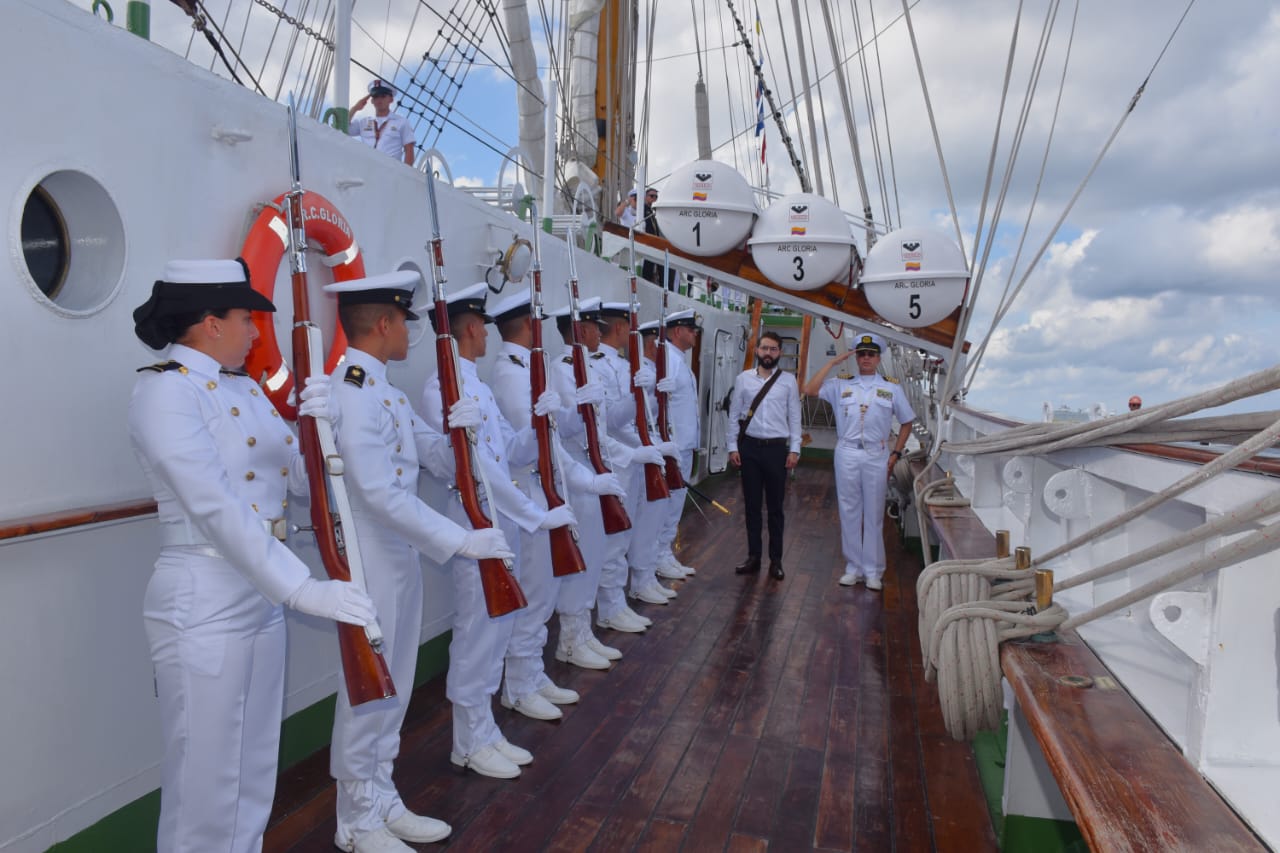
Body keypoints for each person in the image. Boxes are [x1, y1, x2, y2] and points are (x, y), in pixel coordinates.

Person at [129, 259, 377, 852]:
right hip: (205, 594)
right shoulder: (164, 392)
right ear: (211, 324)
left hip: (261, 591)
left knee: (254, 763)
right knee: (205, 779)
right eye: (247, 319)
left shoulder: (246, 389)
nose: (255, 331)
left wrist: (325, 426)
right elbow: (212, 504)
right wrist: (300, 587)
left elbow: (301, 480)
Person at [322, 271, 518, 852]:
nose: (410, 332)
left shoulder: (387, 393)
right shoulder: (351, 391)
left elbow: (431, 458)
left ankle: (380, 795)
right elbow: (378, 493)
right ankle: (356, 818)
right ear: (383, 324)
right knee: (368, 687)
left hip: (399, 553)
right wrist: (460, 541)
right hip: (369, 557)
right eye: (405, 322)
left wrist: (457, 435)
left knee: (395, 685)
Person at [418, 282, 574, 780]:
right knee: (477, 633)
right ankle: (467, 741)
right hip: (476, 522)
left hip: (501, 520)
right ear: (468, 328)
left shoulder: (479, 386)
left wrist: (539, 424)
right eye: (482, 327)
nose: (487, 335)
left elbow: (509, 452)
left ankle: (484, 729)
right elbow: (476, 470)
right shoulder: (440, 388)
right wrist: (535, 515)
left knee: (500, 624)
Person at [486, 290, 625, 718]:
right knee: (534, 593)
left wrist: (576, 411)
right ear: (528, 325)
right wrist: (583, 478)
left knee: (543, 592)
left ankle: (531, 673)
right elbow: (531, 445)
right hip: (529, 492)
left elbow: (553, 432)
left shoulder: (530, 367)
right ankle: (518, 685)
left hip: (547, 487)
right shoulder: (511, 373)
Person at [548, 298, 635, 667]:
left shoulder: (589, 367)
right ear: (581, 330)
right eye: (595, 328)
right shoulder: (562, 369)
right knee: (580, 559)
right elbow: (570, 429)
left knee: (595, 554)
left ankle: (583, 632)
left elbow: (601, 426)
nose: (601, 333)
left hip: (597, 469)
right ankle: (570, 639)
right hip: (577, 476)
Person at [803, 332, 914, 591]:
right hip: (847, 453)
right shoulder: (840, 384)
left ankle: (873, 571)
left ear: (878, 358)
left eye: (871, 354)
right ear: (855, 357)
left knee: (874, 513)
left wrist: (896, 453)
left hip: (876, 454)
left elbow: (907, 422)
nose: (866, 358)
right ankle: (853, 567)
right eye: (862, 354)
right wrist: (832, 363)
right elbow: (809, 389)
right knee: (849, 510)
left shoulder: (891, 388)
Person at [590, 302, 669, 631]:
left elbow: (642, 416)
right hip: (615, 461)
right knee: (615, 539)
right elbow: (611, 421)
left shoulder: (624, 365)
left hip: (634, 456)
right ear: (621, 328)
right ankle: (610, 606)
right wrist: (640, 394)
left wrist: (652, 394)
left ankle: (626, 594)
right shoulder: (597, 365)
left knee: (633, 531)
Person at [727, 331, 802, 580]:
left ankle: (776, 560)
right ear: (757, 350)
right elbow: (734, 415)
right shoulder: (743, 380)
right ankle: (754, 556)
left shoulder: (788, 381)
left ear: (779, 352)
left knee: (775, 508)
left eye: (773, 349)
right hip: (749, 448)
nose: (768, 353)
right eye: (764, 348)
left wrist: (794, 449)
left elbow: (795, 417)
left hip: (776, 449)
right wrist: (732, 447)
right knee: (751, 506)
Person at [653, 309, 702, 578]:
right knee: (667, 507)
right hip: (674, 447)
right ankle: (659, 557)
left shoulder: (679, 361)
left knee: (674, 507)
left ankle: (665, 553)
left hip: (684, 446)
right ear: (678, 331)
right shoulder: (669, 360)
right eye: (691, 329)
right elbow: (661, 405)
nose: (695, 334)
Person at [348, 79, 415, 166]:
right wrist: (355, 108)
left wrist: (404, 173)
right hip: (366, 169)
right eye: (376, 97)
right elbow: (342, 129)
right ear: (372, 101)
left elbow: (409, 150)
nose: (379, 100)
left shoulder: (402, 122)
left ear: (391, 99)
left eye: (383, 96)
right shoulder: (363, 122)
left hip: (391, 171)